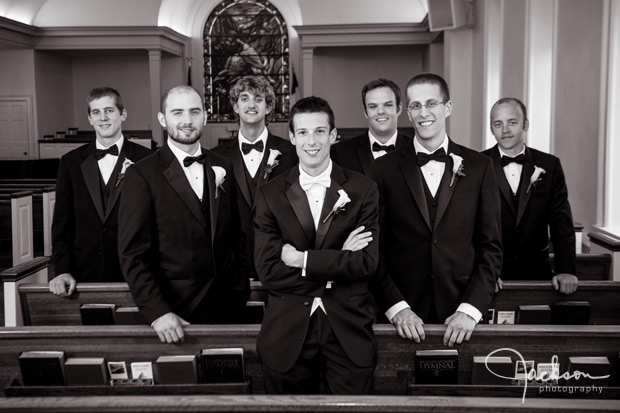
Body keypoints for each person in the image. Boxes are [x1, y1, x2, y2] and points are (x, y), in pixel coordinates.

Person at [254, 96, 380, 394]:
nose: (312, 141)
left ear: (333, 135)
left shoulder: (362, 190)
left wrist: (301, 260)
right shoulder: (271, 194)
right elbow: (269, 271)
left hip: (348, 330)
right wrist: (338, 261)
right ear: (292, 137)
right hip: (286, 332)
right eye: (303, 132)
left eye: (320, 131)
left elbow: (365, 264)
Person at [371, 73, 502, 347]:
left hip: (461, 313)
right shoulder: (384, 170)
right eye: (415, 105)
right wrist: (397, 308)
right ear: (407, 112)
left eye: (431, 103)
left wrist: (470, 310)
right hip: (402, 316)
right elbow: (374, 250)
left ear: (448, 107)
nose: (423, 113)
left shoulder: (479, 167)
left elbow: (491, 248)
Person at [118, 85, 248, 344]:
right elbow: (132, 255)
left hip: (229, 303)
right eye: (177, 113)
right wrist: (157, 312)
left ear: (205, 117)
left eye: (194, 112)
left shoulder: (223, 165)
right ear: (163, 119)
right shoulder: (142, 175)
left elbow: (236, 232)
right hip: (175, 311)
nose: (187, 121)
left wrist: (240, 284)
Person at [50, 87, 152, 297]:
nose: (103, 118)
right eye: (96, 112)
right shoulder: (70, 163)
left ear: (122, 114)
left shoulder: (147, 160)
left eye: (109, 110)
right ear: (89, 118)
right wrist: (63, 271)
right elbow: (62, 226)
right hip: (83, 274)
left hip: (136, 273)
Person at [482, 97, 578, 294]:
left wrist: (566, 270)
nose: (505, 130)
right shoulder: (478, 165)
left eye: (512, 122)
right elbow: (468, 226)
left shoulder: (549, 165)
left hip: (538, 271)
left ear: (525, 124)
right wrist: (482, 272)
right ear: (491, 129)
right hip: (493, 274)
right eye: (498, 124)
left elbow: (561, 221)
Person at [212, 76, 297, 280]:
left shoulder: (291, 154)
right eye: (244, 98)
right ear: (235, 106)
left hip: (279, 260)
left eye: (258, 99)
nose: (251, 104)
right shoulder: (216, 157)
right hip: (233, 262)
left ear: (268, 108)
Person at [331, 78, 411, 175]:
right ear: (365, 112)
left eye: (388, 105)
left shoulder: (415, 149)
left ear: (399, 109)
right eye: (373, 106)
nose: (381, 111)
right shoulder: (339, 152)